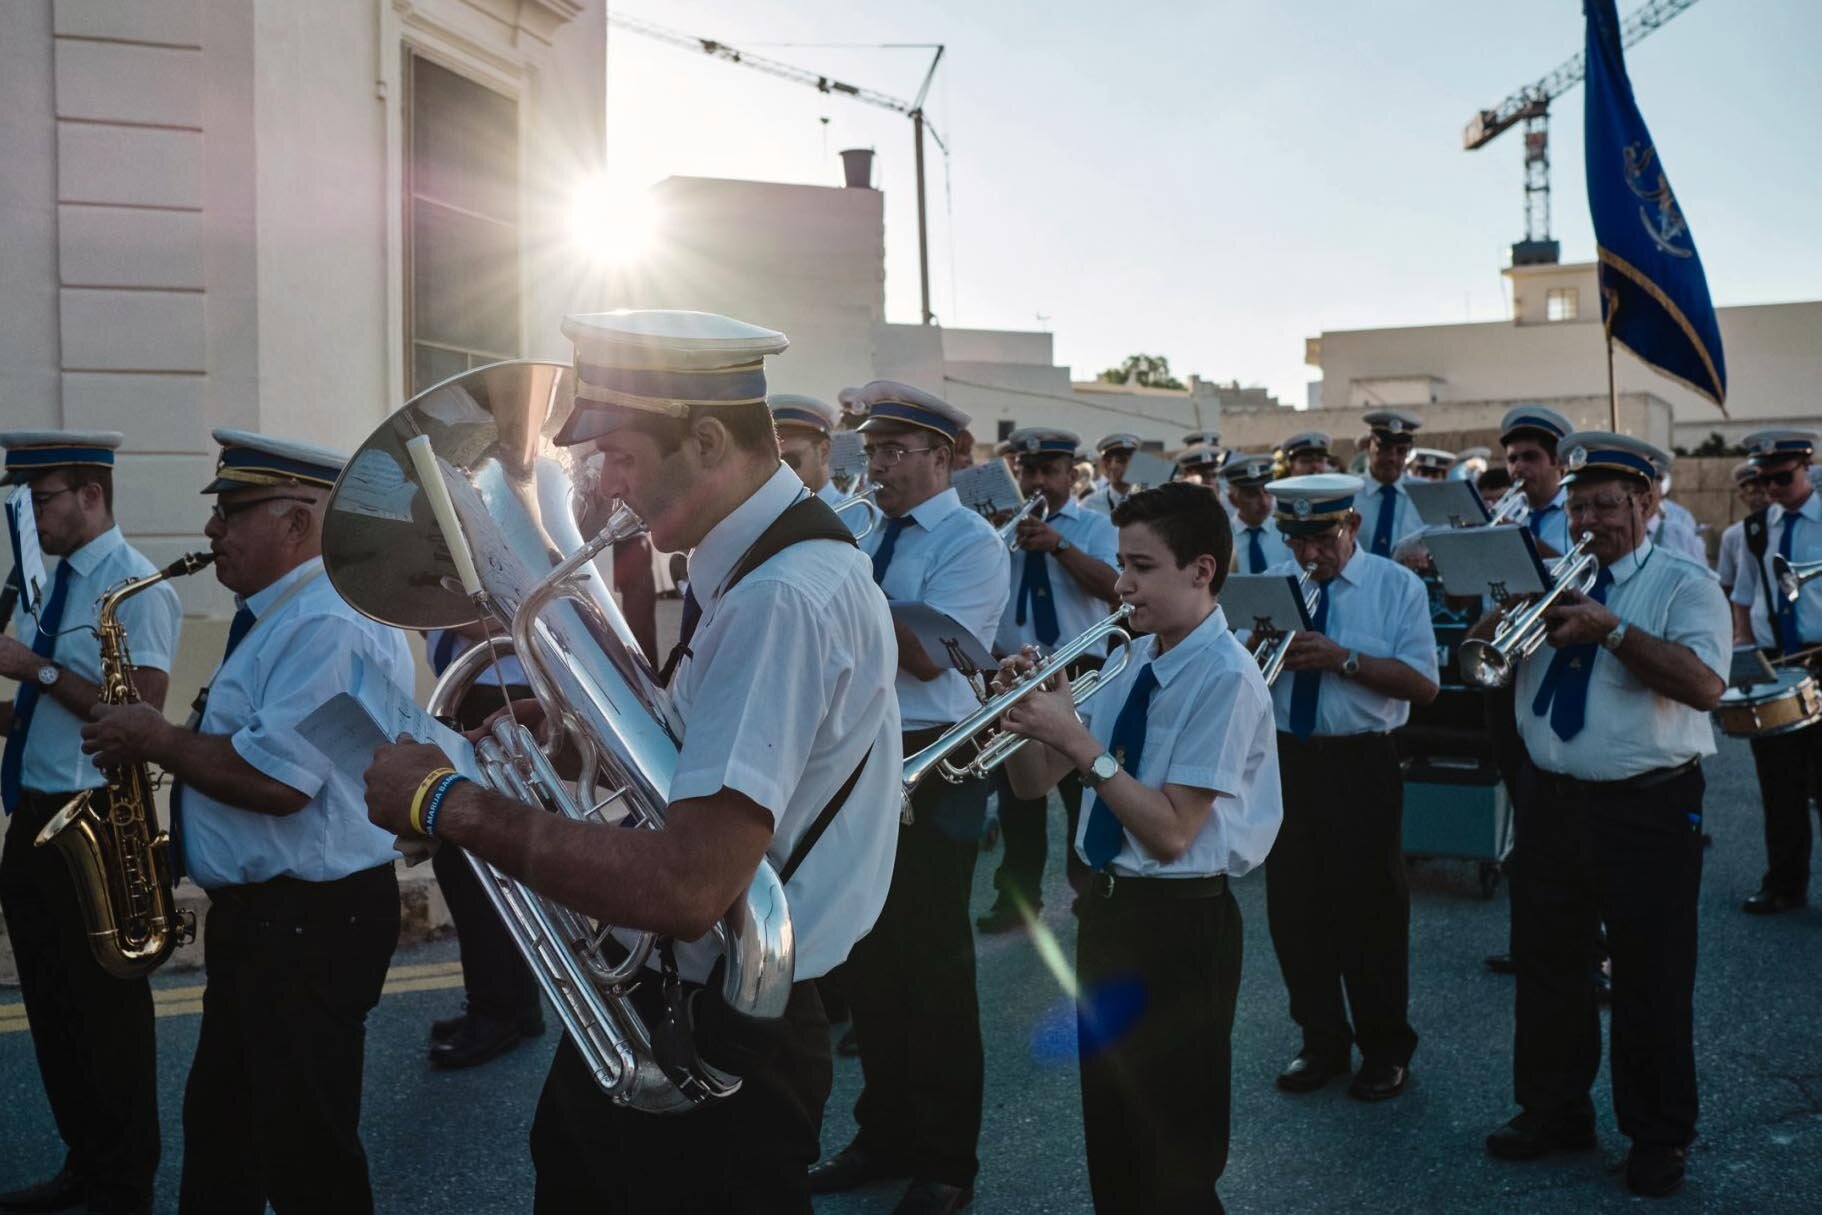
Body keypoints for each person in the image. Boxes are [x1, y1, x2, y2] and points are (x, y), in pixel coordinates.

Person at [365, 311, 904, 1213]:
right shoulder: (742, 566)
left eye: (618, 456)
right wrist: (581, 738)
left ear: (703, 437)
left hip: (722, 1025)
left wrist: (448, 804)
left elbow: (690, 886)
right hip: (687, 1000)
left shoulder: (780, 597)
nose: (607, 491)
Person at [79, 430, 411, 1214]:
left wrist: (156, 737)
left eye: (232, 510)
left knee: (305, 1152)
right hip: (274, 922)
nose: (211, 530)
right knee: (226, 1133)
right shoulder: (283, 617)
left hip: (308, 925)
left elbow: (278, 779)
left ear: (296, 524)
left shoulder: (325, 626)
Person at [996, 481, 1282, 1214]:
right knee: (1116, 1146)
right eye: (1121, 563)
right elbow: (1035, 785)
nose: (1120, 584)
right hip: (1110, 917)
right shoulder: (1133, 658)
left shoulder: (1225, 676)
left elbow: (1170, 829)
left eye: (1142, 566)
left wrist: (1075, 735)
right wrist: (1021, 717)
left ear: (1202, 571)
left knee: (1175, 1162)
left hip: (1183, 925)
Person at [1476, 431, 1728, 1199]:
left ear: (1647, 504)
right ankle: (1554, 1109)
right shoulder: (1550, 576)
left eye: (1606, 506)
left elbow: (1705, 684)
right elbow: (1491, 660)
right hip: (1552, 800)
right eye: (1578, 505)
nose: (1587, 521)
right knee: (1549, 964)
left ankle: (1658, 1134)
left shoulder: (1686, 584)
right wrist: (1503, 619)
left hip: (1646, 807)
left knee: (1652, 975)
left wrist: (1611, 629)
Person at [811, 382, 1007, 1215]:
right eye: (871, 452)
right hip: (860, 751)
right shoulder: (860, 529)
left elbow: (929, 654)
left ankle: (946, 1160)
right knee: (869, 963)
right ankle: (883, 1131)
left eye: (895, 452)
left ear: (943, 458)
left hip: (935, 754)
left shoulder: (971, 541)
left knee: (933, 967)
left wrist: (837, 583)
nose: (877, 467)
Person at [0, 431, 180, 1215]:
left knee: (106, 1019)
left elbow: (138, 715)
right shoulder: (49, 585)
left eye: (41, 501)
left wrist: (31, 667)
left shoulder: (138, 588)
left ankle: (124, 1180)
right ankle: (86, 1160)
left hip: (96, 823)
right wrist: (17, 705)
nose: (30, 518)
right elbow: (49, 708)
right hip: (34, 818)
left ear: (92, 495)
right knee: (52, 1009)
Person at [1259, 473, 1438, 1102]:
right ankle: (1320, 1041)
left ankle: (1386, 1048)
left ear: (1352, 527)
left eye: (1321, 538)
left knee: (1371, 911)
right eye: (1294, 538)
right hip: (1284, 759)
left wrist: (1345, 660)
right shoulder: (1272, 586)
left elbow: (1424, 685)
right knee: (1295, 910)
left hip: (1361, 761)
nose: (1308, 554)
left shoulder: (1397, 586)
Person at [977, 428, 1119, 935]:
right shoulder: (992, 531)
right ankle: (1018, 899)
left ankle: (1090, 889)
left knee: (1086, 787)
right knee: (1018, 799)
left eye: (1048, 471)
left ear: (1069, 475)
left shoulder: (1095, 525)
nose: (1037, 480)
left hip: (1080, 671)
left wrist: (1059, 546)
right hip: (1017, 672)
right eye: (1027, 470)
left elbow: (1113, 589)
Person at [421, 624, 544, 1069]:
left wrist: (436, 611)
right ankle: (517, 1005)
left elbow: (505, 611)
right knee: (487, 866)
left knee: (470, 867)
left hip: (496, 694)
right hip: (482, 691)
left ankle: (494, 1013)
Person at [1729, 429, 1822, 915]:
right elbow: (1743, 594)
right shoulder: (1757, 527)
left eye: (1783, 478)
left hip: (1820, 654)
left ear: (1806, 467)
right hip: (1775, 659)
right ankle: (1784, 884)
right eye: (1764, 481)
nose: (1772, 490)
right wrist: (1743, 647)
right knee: (1778, 783)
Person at [1499, 406, 1574, 555]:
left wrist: (1523, 540)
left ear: (1558, 461)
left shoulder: (1581, 511)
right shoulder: (1503, 513)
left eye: (1530, 457)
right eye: (1512, 459)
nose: (1518, 467)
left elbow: (1582, 573)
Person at [1356, 410, 1426, 558]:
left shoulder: (1425, 494)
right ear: (1369, 446)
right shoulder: (1349, 493)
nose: (1392, 458)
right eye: (1384, 448)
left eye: (1401, 451)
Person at [1226, 454, 1292, 574]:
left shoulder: (1286, 532)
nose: (1263, 502)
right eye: (1252, 494)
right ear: (1233, 500)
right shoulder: (1224, 537)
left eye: (1267, 492)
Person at [1714, 460, 1767, 598]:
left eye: (1763, 492)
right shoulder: (1733, 535)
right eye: (1753, 492)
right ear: (1742, 498)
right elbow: (1726, 584)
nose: (1760, 499)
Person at [1081, 432, 1140, 516]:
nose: (1129, 466)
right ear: (1107, 465)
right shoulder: (1090, 505)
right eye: (1122, 460)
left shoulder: (1146, 503)